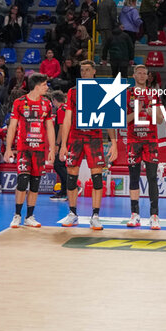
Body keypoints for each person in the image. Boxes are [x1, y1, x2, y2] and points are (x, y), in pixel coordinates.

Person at [58, 60, 118, 230]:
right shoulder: (73, 92)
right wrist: (63, 144)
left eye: (87, 70)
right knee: (71, 175)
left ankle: (96, 215)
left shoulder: (102, 91)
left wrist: (113, 143)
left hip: (94, 138)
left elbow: (109, 119)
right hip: (76, 138)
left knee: (97, 176)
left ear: (94, 72)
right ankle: (72, 213)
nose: (84, 73)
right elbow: (67, 118)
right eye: (82, 70)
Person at [4, 75, 56, 226]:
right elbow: (12, 126)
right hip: (24, 149)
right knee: (22, 181)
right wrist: (8, 148)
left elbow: (50, 128)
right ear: (37, 86)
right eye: (45, 84)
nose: (47, 87)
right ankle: (17, 215)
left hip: (39, 149)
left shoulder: (46, 104)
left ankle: (29, 217)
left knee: (35, 184)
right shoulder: (19, 102)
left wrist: (52, 149)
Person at [125, 64, 164, 229]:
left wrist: (151, 113)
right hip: (134, 141)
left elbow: (161, 119)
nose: (141, 75)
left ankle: (154, 215)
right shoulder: (128, 94)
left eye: (144, 73)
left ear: (148, 76)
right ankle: (135, 214)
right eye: (139, 73)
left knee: (152, 178)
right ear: (134, 75)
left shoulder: (154, 94)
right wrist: (137, 111)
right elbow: (123, 120)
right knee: (134, 178)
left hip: (150, 141)